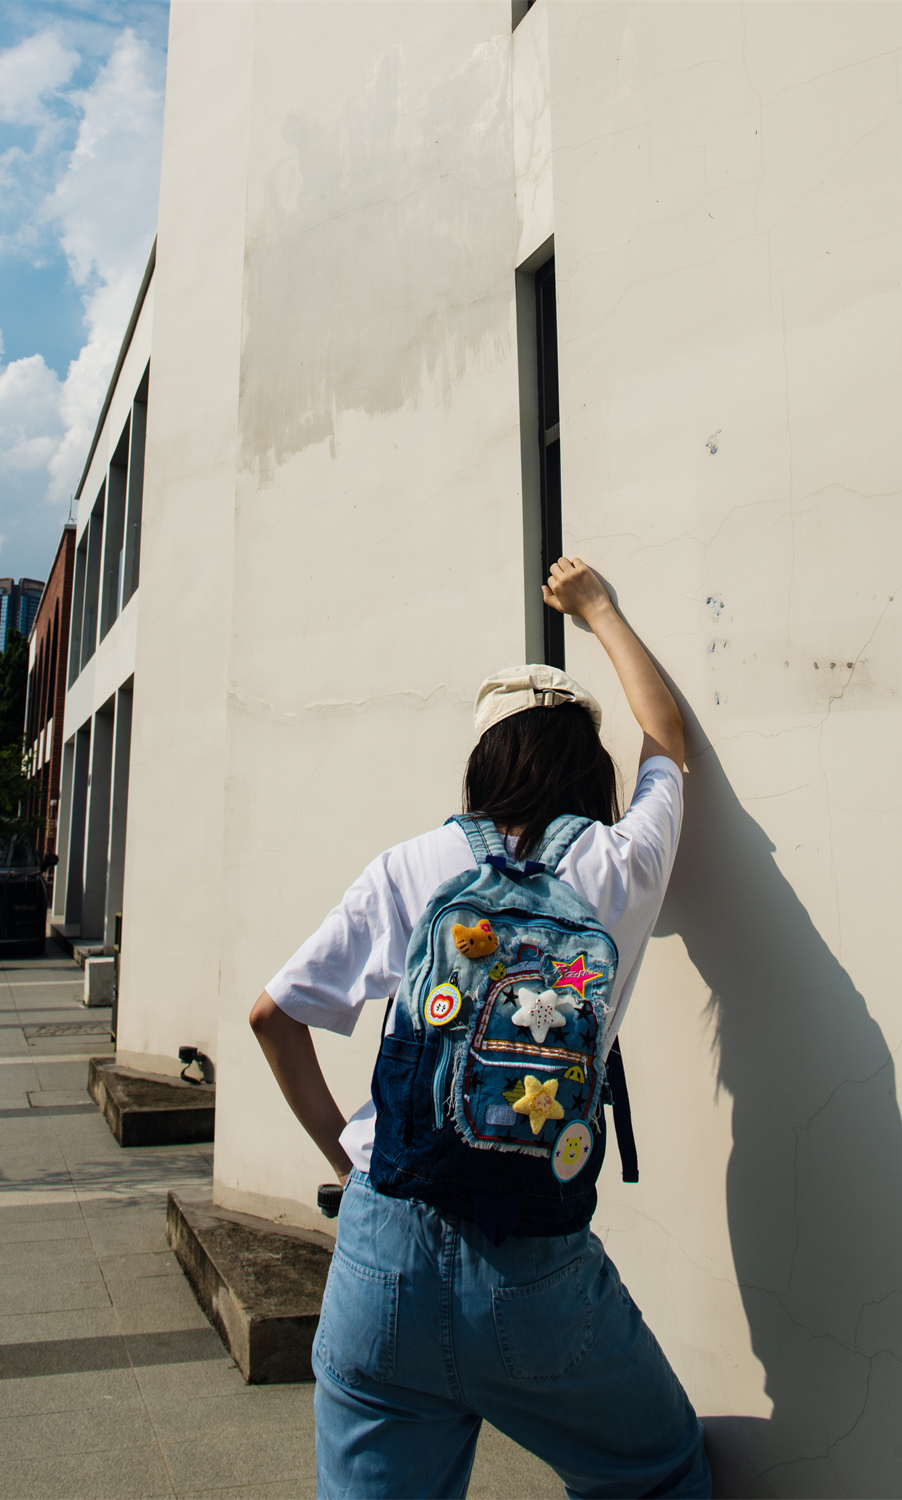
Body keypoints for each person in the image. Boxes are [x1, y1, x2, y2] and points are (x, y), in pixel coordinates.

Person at [251, 556, 711, 1500]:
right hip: (537, 1268)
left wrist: (349, 1157)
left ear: (484, 761)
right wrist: (599, 610)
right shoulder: (620, 867)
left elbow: (273, 1016)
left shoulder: (410, 866)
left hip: (382, 1252)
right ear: (589, 767)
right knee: (656, 1470)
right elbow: (668, 739)